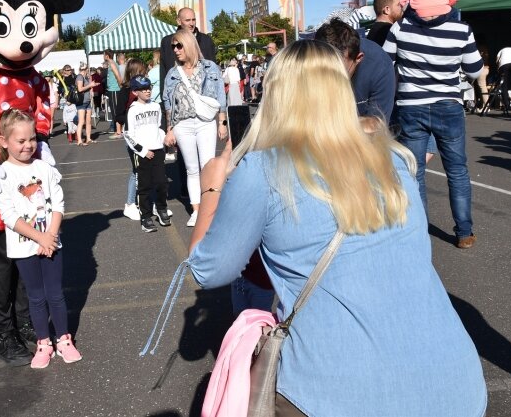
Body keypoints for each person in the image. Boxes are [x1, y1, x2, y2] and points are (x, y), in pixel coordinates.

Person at [186, 40, 487, 417]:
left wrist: (210, 188)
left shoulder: (263, 170)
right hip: (456, 384)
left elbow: (207, 270)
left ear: (277, 94)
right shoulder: (392, 158)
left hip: (340, 394)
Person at [383, 0, 483, 250]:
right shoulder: (461, 29)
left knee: (415, 173)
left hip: (411, 105)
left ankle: (420, 233)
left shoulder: (400, 28)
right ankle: (464, 232)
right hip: (448, 105)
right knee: (457, 171)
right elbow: (474, 69)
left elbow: (386, 63)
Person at [0, 109, 81, 368]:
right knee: (36, 297)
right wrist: (39, 238)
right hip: (25, 246)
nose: (28, 145)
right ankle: (44, 342)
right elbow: (9, 216)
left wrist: (50, 236)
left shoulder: (44, 168)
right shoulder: (2, 174)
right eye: (21, 141)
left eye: (32, 139)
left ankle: (64, 340)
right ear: (3, 141)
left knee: (56, 293)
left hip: (51, 242)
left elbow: (58, 204)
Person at [163, 29, 227, 227]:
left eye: (179, 45)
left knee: (207, 166)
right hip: (182, 124)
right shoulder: (172, 74)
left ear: (189, 45)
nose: (175, 50)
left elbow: (220, 96)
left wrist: (222, 122)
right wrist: (169, 129)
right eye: (173, 46)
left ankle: (212, 208)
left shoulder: (210, 68)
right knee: (191, 169)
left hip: (205, 122)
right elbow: (168, 103)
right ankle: (196, 210)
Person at [160, 7, 217, 199]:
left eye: (193, 19)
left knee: (206, 159)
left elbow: (213, 75)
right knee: (186, 158)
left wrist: (219, 113)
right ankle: (189, 192)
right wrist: (167, 112)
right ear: (178, 21)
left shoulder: (206, 41)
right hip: (181, 111)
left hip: (203, 111)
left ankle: (208, 194)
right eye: (187, 20)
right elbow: (165, 77)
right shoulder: (169, 42)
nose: (191, 23)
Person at [314, 18, 395, 121]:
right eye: (323, 70)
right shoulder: (306, 63)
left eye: (339, 71)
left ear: (358, 58)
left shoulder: (380, 66)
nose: (331, 77)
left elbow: (376, 125)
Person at [124, 75, 171, 232]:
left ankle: (161, 208)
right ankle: (145, 216)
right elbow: (129, 135)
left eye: (149, 88)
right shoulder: (133, 110)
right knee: (143, 185)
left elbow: (158, 128)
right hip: (142, 153)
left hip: (158, 150)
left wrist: (165, 141)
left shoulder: (156, 106)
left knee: (161, 182)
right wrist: (143, 151)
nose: (148, 91)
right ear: (135, 92)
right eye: (143, 89)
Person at [116, 59, 150, 222]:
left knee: (148, 169)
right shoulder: (126, 91)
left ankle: (146, 202)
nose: (146, 73)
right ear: (135, 72)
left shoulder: (144, 89)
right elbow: (118, 114)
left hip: (146, 133)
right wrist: (132, 117)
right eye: (143, 71)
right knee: (136, 170)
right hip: (132, 135)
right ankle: (130, 204)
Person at [103, 49, 123, 137]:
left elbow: (117, 75)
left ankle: (118, 131)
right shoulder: (111, 63)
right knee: (115, 110)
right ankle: (118, 130)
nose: (103, 57)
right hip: (112, 90)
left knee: (115, 111)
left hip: (115, 90)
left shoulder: (112, 63)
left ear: (107, 56)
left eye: (104, 55)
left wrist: (120, 86)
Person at [75, 64, 96, 145]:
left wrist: (91, 86)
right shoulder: (80, 77)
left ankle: (88, 138)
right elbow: (80, 89)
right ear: (85, 69)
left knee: (88, 121)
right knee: (81, 121)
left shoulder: (86, 77)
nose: (88, 71)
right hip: (81, 102)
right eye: (87, 69)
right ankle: (79, 140)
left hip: (87, 101)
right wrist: (90, 85)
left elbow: (87, 87)